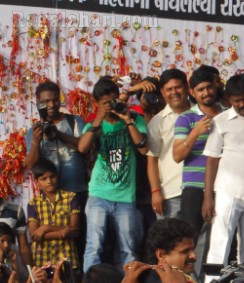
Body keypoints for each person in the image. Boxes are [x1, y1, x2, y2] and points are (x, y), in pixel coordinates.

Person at [78, 77, 148, 270]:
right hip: (99, 195)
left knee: (129, 249)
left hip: (126, 196)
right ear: (98, 104)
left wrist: (127, 120)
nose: (111, 106)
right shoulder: (94, 124)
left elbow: (143, 149)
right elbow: (82, 148)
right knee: (94, 247)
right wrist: (98, 118)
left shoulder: (134, 118)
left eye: (114, 100)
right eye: (106, 103)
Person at [203, 74, 244, 271]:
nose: (242, 104)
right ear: (229, 100)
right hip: (227, 190)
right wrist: (208, 197)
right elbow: (212, 159)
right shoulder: (221, 121)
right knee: (220, 243)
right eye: (237, 101)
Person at [172, 67, 223, 236]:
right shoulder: (186, 118)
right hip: (194, 187)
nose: (206, 92)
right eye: (200, 90)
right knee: (188, 240)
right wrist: (195, 133)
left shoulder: (227, 115)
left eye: (209, 87)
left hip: (223, 186)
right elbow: (177, 156)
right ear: (192, 93)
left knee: (223, 242)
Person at [25, 80, 88, 197]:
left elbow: (85, 148)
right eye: (46, 101)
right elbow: (30, 165)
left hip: (77, 192)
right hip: (50, 197)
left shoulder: (75, 121)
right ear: (38, 103)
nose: (52, 105)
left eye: (55, 100)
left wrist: (58, 134)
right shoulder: (33, 131)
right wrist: (35, 141)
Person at [146, 69, 191, 219]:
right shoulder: (158, 122)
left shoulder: (201, 113)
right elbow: (152, 159)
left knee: (201, 241)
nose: (174, 92)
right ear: (163, 93)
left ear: (186, 87)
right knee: (170, 240)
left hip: (199, 190)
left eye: (178, 87)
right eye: (169, 89)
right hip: (170, 192)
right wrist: (155, 192)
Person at [26, 159, 81, 269]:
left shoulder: (71, 197)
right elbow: (35, 235)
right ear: (37, 182)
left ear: (57, 176)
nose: (49, 181)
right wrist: (63, 232)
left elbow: (74, 230)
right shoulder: (33, 204)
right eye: (43, 179)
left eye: (52, 176)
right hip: (43, 260)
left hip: (67, 258)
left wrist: (46, 228)